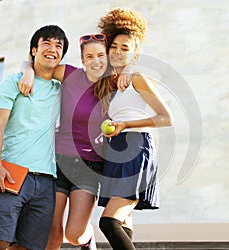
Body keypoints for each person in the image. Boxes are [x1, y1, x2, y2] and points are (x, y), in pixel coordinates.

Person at [19, 33, 120, 250]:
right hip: (58, 161)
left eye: (101, 55)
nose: (96, 61)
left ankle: (88, 238)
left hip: (90, 166)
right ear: (82, 60)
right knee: (52, 229)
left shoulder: (113, 85)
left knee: (74, 235)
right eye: (90, 56)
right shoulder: (70, 74)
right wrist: (27, 71)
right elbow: (36, 63)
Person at [0, 25, 69, 250]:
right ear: (34, 50)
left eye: (58, 46)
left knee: (28, 247)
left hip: (45, 180)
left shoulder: (60, 90)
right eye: (46, 44)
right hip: (10, 172)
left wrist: (29, 69)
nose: (52, 49)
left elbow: (92, 74)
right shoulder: (12, 83)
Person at [97, 8, 173, 250]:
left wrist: (125, 124)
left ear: (135, 54)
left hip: (135, 149)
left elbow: (165, 118)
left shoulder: (137, 77)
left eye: (125, 48)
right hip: (116, 151)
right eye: (114, 46)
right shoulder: (111, 83)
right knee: (124, 222)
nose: (118, 52)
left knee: (109, 222)